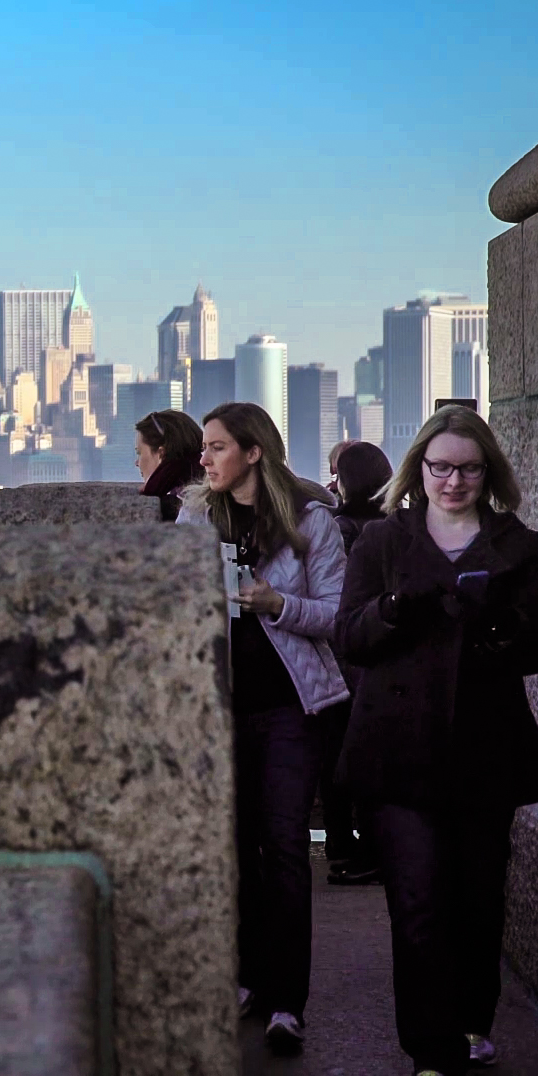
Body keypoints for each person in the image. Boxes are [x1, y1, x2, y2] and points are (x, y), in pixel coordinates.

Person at [336, 406, 538, 1075]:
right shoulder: (384, 543)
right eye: (441, 467)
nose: (454, 481)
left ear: (489, 473)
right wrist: (396, 608)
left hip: (484, 748)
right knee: (418, 903)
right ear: (419, 469)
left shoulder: (518, 545)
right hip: (399, 749)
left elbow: (535, 645)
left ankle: (473, 1020)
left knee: (478, 900)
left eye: (469, 468)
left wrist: (501, 626)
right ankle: (431, 1050)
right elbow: (350, 638)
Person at [177, 402, 349, 1054]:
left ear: (253, 452)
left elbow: (337, 615)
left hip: (289, 710)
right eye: (204, 448)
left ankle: (287, 1000)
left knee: (282, 849)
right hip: (219, 709)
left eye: (217, 447)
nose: (205, 458)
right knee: (237, 848)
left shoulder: (310, 522)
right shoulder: (196, 518)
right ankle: (246, 978)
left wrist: (278, 604)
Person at [323, 441, 393, 884]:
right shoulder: (399, 526)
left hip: (345, 659)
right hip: (383, 658)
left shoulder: (341, 528)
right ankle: (370, 847)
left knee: (338, 756)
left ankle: (344, 844)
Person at [134, 408, 203, 520]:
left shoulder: (177, 505)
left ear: (161, 454)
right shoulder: (201, 487)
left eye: (139, 453)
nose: (137, 463)